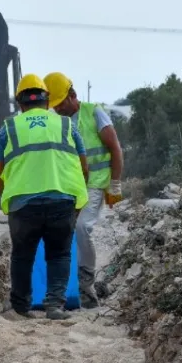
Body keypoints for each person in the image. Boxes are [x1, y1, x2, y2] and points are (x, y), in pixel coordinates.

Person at [0, 74, 89, 320]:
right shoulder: (66, 126)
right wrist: (75, 200)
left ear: (20, 104)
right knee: (59, 254)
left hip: (23, 205)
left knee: (23, 255)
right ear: (47, 102)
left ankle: (21, 307)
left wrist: (7, 196)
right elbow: (83, 166)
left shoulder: (9, 128)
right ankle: (55, 305)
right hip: (62, 201)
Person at [43, 72, 125, 309]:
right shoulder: (57, 121)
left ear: (72, 95)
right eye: (54, 106)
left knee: (81, 228)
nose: (57, 110)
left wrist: (115, 183)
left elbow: (115, 148)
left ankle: (87, 286)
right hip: (69, 187)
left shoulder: (94, 112)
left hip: (95, 184)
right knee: (64, 232)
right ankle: (66, 287)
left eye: (60, 104)